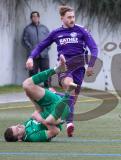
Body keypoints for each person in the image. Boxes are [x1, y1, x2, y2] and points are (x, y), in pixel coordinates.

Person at [25, 6, 98, 137]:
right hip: (64, 66)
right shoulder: (56, 33)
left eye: (73, 17)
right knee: (69, 85)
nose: (72, 19)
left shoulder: (81, 31)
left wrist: (91, 65)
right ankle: (70, 123)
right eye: (69, 17)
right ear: (62, 18)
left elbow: (94, 48)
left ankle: (55, 94)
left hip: (79, 68)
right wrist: (31, 57)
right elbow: (41, 46)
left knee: (72, 100)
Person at [4, 55, 77, 142]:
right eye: (17, 129)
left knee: (26, 85)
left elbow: (38, 110)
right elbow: (55, 131)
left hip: (49, 104)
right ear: (19, 138)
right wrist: (41, 120)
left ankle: (57, 69)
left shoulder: (25, 125)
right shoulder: (32, 137)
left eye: (16, 125)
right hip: (59, 113)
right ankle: (68, 93)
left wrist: (31, 96)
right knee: (49, 120)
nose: (19, 125)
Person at [22, 11, 51, 88]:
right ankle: (33, 91)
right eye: (33, 16)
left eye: (36, 16)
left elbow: (49, 40)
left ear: (39, 17)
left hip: (44, 56)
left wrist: (46, 50)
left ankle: (48, 90)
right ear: (31, 18)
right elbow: (24, 41)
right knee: (33, 75)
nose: (35, 18)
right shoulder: (27, 29)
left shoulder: (44, 28)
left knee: (46, 74)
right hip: (33, 57)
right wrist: (32, 50)